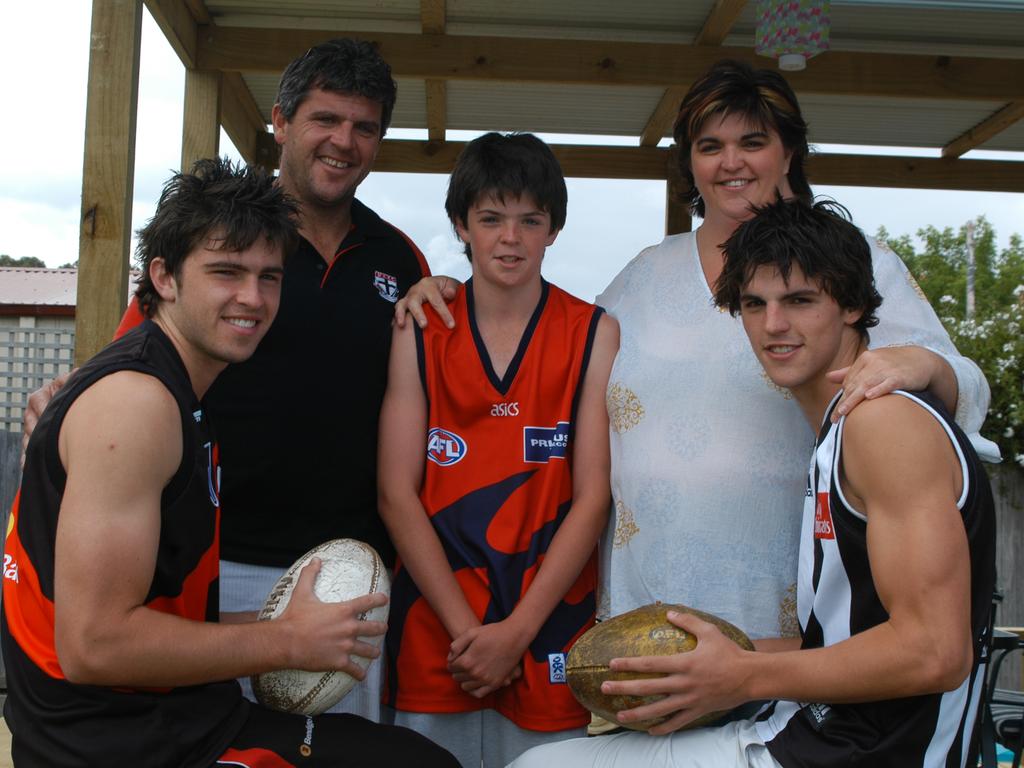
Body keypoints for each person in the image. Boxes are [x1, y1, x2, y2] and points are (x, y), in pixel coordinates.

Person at [395, 60, 993, 649]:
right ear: (691, 162)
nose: (730, 162)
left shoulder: (854, 259)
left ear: (788, 152)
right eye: (710, 145)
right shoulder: (644, 275)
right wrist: (452, 289)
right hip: (642, 605)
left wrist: (931, 366)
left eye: (752, 142)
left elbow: (962, 390)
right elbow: (545, 338)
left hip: (780, 618)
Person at [508, 197, 996, 768]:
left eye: (800, 301)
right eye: (753, 304)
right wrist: (691, 670)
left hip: (866, 754)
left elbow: (936, 653)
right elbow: (844, 642)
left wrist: (743, 675)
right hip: (812, 733)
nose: (774, 326)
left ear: (855, 305)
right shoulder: (840, 427)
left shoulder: (883, 424)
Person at [1, 158, 458, 768]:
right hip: (113, 741)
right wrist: (288, 638)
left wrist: (300, 622)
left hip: (173, 715)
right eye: (226, 272)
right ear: (163, 277)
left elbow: (156, 608)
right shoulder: (136, 406)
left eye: (270, 277)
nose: (252, 298)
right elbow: (94, 646)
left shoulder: (185, 389)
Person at [22, 37, 429, 720]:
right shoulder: (219, 237)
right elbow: (138, 356)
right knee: (220, 739)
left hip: (349, 568)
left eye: (364, 127)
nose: (344, 141)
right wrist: (67, 404)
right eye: (325, 119)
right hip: (219, 563)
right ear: (281, 121)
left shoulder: (400, 257)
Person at [377, 133, 619, 767]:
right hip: (438, 630)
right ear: (461, 224)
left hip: (549, 625)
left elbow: (593, 499)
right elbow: (396, 494)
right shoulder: (422, 327)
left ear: (553, 229)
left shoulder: (592, 331)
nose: (510, 238)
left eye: (529, 220)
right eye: (490, 218)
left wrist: (515, 634)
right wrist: (469, 634)